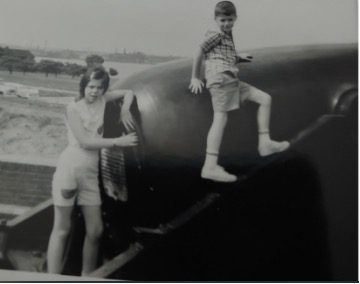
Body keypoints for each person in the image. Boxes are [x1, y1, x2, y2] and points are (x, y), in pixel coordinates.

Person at [47, 67, 138, 276]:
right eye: (90, 87)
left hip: (89, 174)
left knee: (95, 230)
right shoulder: (73, 108)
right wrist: (118, 141)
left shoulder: (104, 100)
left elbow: (128, 92)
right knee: (62, 229)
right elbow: (86, 142)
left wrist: (125, 109)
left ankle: (87, 276)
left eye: (99, 87)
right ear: (83, 86)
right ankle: (50, 278)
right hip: (70, 169)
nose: (94, 92)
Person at [189, 1, 290, 183]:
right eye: (222, 20)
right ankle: (210, 165)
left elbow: (221, 54)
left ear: (235, 18)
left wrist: (238, 57)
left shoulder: (227, 34)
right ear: (216, 20)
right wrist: (195, 77)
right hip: (220, 79)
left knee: (265, 99)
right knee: (220, 118)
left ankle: (265, 143)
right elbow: (199, 52)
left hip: (232, 79)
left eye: (229, 19)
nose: (226, 23)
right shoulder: (216, 33)